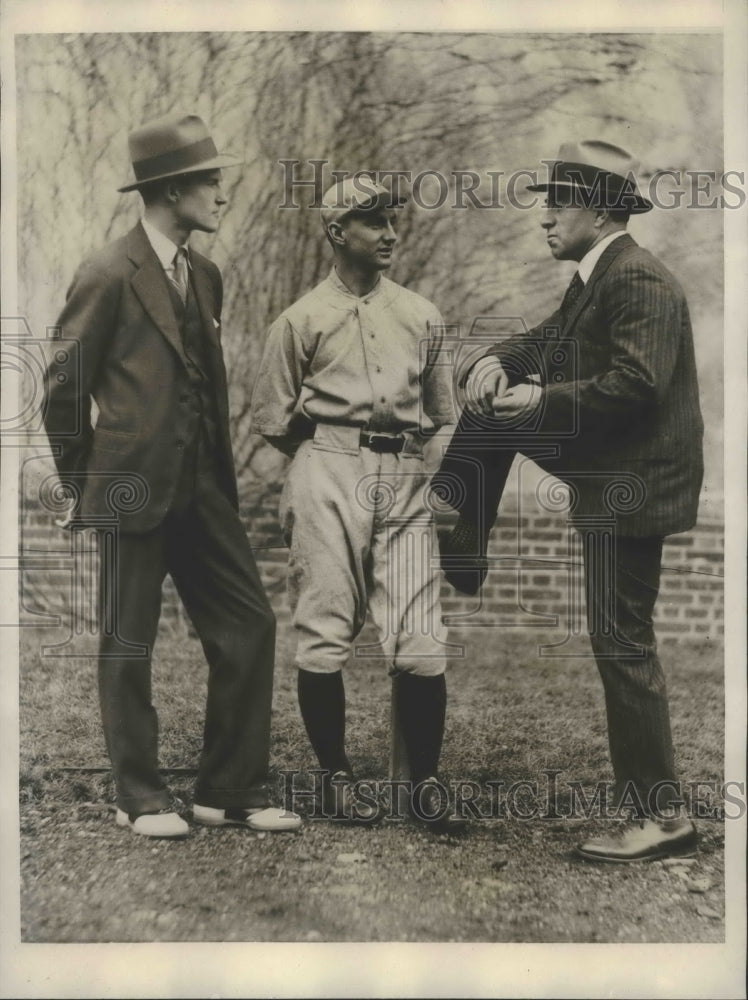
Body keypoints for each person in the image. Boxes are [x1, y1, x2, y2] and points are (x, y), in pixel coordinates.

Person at [432, 140, 704, 861]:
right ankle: (463, 537)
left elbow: (637, 384)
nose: (545, 217)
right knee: (490, 410)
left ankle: (661, 817)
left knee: (622, 643)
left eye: (559, 203)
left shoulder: (636, 279)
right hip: (614, 471)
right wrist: (498, 361)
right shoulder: (599, 276)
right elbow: (552, 338)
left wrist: (538, 400)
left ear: (601, 210)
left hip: (634, 487)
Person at [42, 113, 300, 838]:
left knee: (249, 623)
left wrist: (216, 476)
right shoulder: (107, 272)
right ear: (172, 191)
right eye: (211, 181)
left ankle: (229, 790)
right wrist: (82, 484)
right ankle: (140, 796)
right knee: (129, 641)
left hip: (203, 489)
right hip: (129, 488)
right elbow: (62, 388)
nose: (222, 194)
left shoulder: (205, 276)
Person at [250, 177, 464, 832]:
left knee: (421, 637)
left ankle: (424, 784)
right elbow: (273, 418)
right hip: (328, 467)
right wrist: (324, 457)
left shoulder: (421, 314)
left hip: (404, 471)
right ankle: (336, 778)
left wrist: (430, 477)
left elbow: (443, 413)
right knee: (325, 627)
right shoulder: (301, 319)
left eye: (392, 220)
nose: (390, 233)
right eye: (373, 222)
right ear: (337, 232)